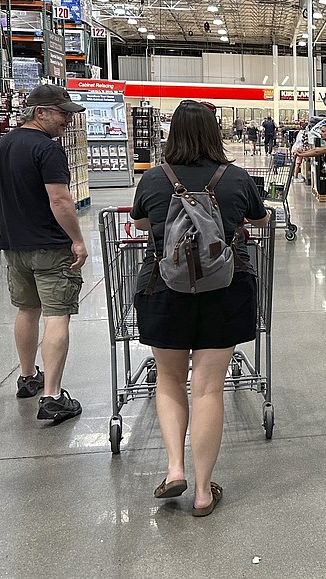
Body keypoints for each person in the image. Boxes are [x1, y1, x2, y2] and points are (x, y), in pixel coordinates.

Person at [130, 100, 269, 517]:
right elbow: (259, 219)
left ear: (172, 133)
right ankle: (205, 491)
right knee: (208, 387)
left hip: (164, 291)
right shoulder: (236, 178)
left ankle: (175, 469)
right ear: (214, 132)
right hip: (223, 292)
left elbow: (140, 224)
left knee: (170, 381)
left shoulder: (155, 179)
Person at [0, 84, 88, 422]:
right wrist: (77, 239)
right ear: (40, 112)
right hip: (49, 246)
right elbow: (59, 200)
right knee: (57, 315)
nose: (67, 120)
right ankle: (53, 396)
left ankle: (28, 376)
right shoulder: (47, 150)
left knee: (27, 310)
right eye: (62, 113)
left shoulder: (2, 145)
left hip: (14, 245)